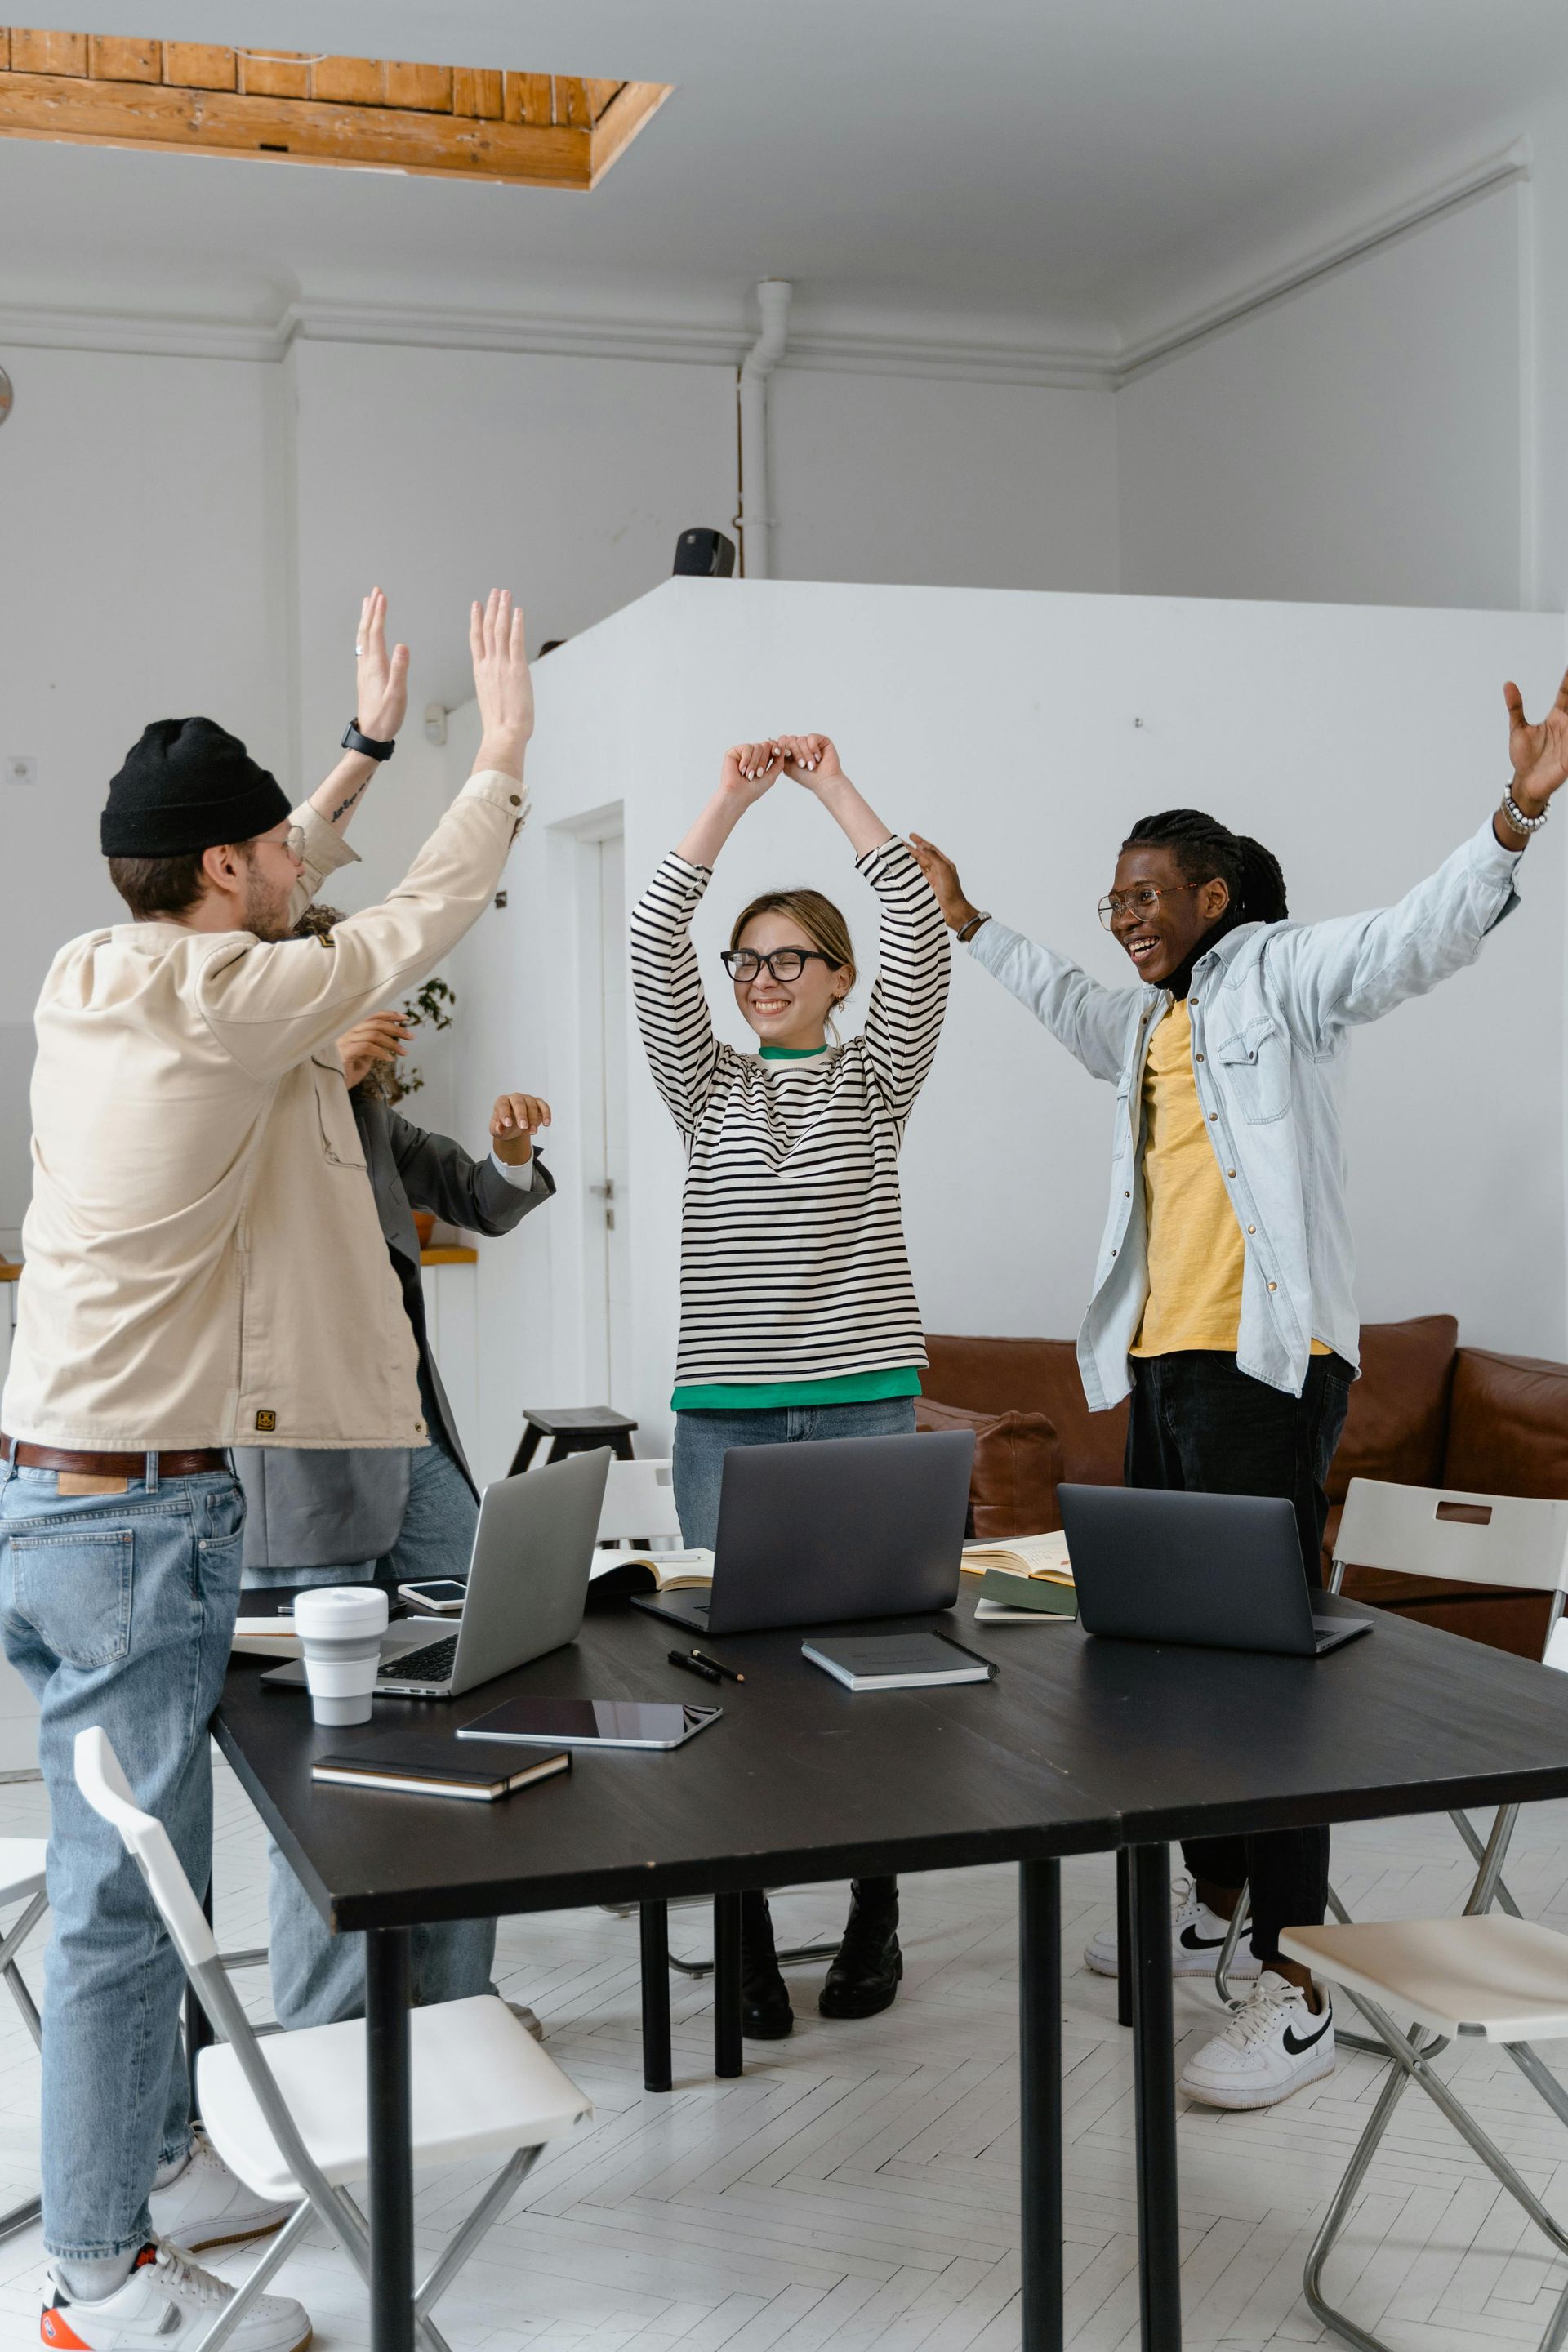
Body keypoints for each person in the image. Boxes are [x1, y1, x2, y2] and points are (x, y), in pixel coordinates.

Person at [910, 662, 1568, 2112]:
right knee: (1170, 1654)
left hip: (1268, 1368)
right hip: (1162, 1365)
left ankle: (1298, 1975)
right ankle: (1215, 1893)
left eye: (1147, 894)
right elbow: (1067, 1001)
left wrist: (1515, 817)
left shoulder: (1282, 978)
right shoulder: (1149, 1026)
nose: (1127, 915)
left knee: (1268, 1673)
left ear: (1215, 898)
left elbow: (1411, 941)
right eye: (1116, 898)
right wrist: (968, 922)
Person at [3, 586, 535, 2352]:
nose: (286, 864)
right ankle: (96, 2281)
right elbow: (403, 921)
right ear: (220, 877)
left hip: (50, 1493)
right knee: (114, 1909)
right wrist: (500, 756)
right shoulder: (233, 1001)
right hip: (142, 1510)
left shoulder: (97, 969)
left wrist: (368, 749)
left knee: (140, 1877)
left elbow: (284, 860)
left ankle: (153, 2175)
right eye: (264, 852)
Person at [630, 732, 949, 2038]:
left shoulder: (877, 1079)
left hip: (868, 1410)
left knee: (872, 1684)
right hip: (728, 1428)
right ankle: (747, 1927)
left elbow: (921, 930)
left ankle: (876, 1911)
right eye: (745, 961)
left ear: (839, 979)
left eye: (787, 961)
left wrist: (828, 792)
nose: (759, 980)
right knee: (739, 1689)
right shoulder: (704, 1088)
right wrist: (725, 804)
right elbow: (658, 942)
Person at [234, 951, 554, 2035]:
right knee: (328, 1760)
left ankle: (458, 2002)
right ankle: (329, 2035)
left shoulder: (372, 1116)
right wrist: (312, 1067)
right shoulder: (238, 1100)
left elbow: (475, 1194)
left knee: (475, 1703)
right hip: (307, 1467)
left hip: (408, 1437)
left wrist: (510, 1154)